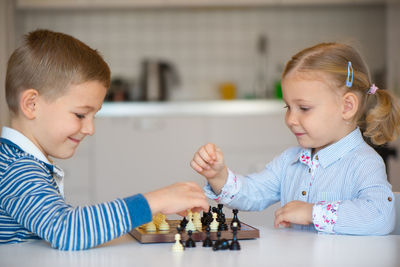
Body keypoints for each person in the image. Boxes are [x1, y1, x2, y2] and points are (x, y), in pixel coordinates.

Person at [0, 29, 208, 250]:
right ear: (32, 104)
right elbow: (66, 230)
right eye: (80, 115)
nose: (90, 129)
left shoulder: (17, 160)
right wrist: (155, 201)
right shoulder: (18, 168)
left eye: (93, 116)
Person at [191, 43, 400, 235]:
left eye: (304, 108)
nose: (290, 119)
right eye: (288, 107)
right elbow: (254, 192)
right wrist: (219, 177)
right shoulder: (290, 161)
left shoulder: (364, 162)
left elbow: (380, 216)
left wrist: (313, 213)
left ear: (347, 106)